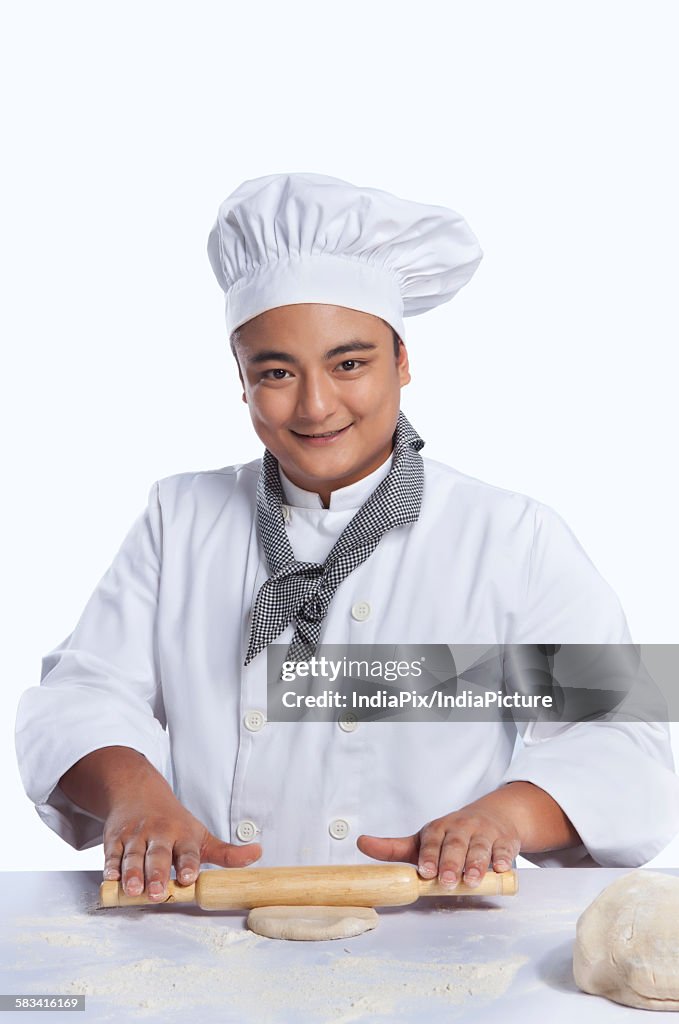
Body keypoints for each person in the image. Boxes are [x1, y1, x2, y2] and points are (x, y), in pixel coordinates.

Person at [15, 172, 679, 905]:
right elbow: (84, 693)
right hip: (207, 937)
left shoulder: (510, 536)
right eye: (275, 371)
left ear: (401, 362)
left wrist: (502, 816)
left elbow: (624, 738)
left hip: (436, 943)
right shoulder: (181, 517)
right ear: (240, 380)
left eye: (349, 363)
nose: (315, 405)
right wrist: (134, 795)